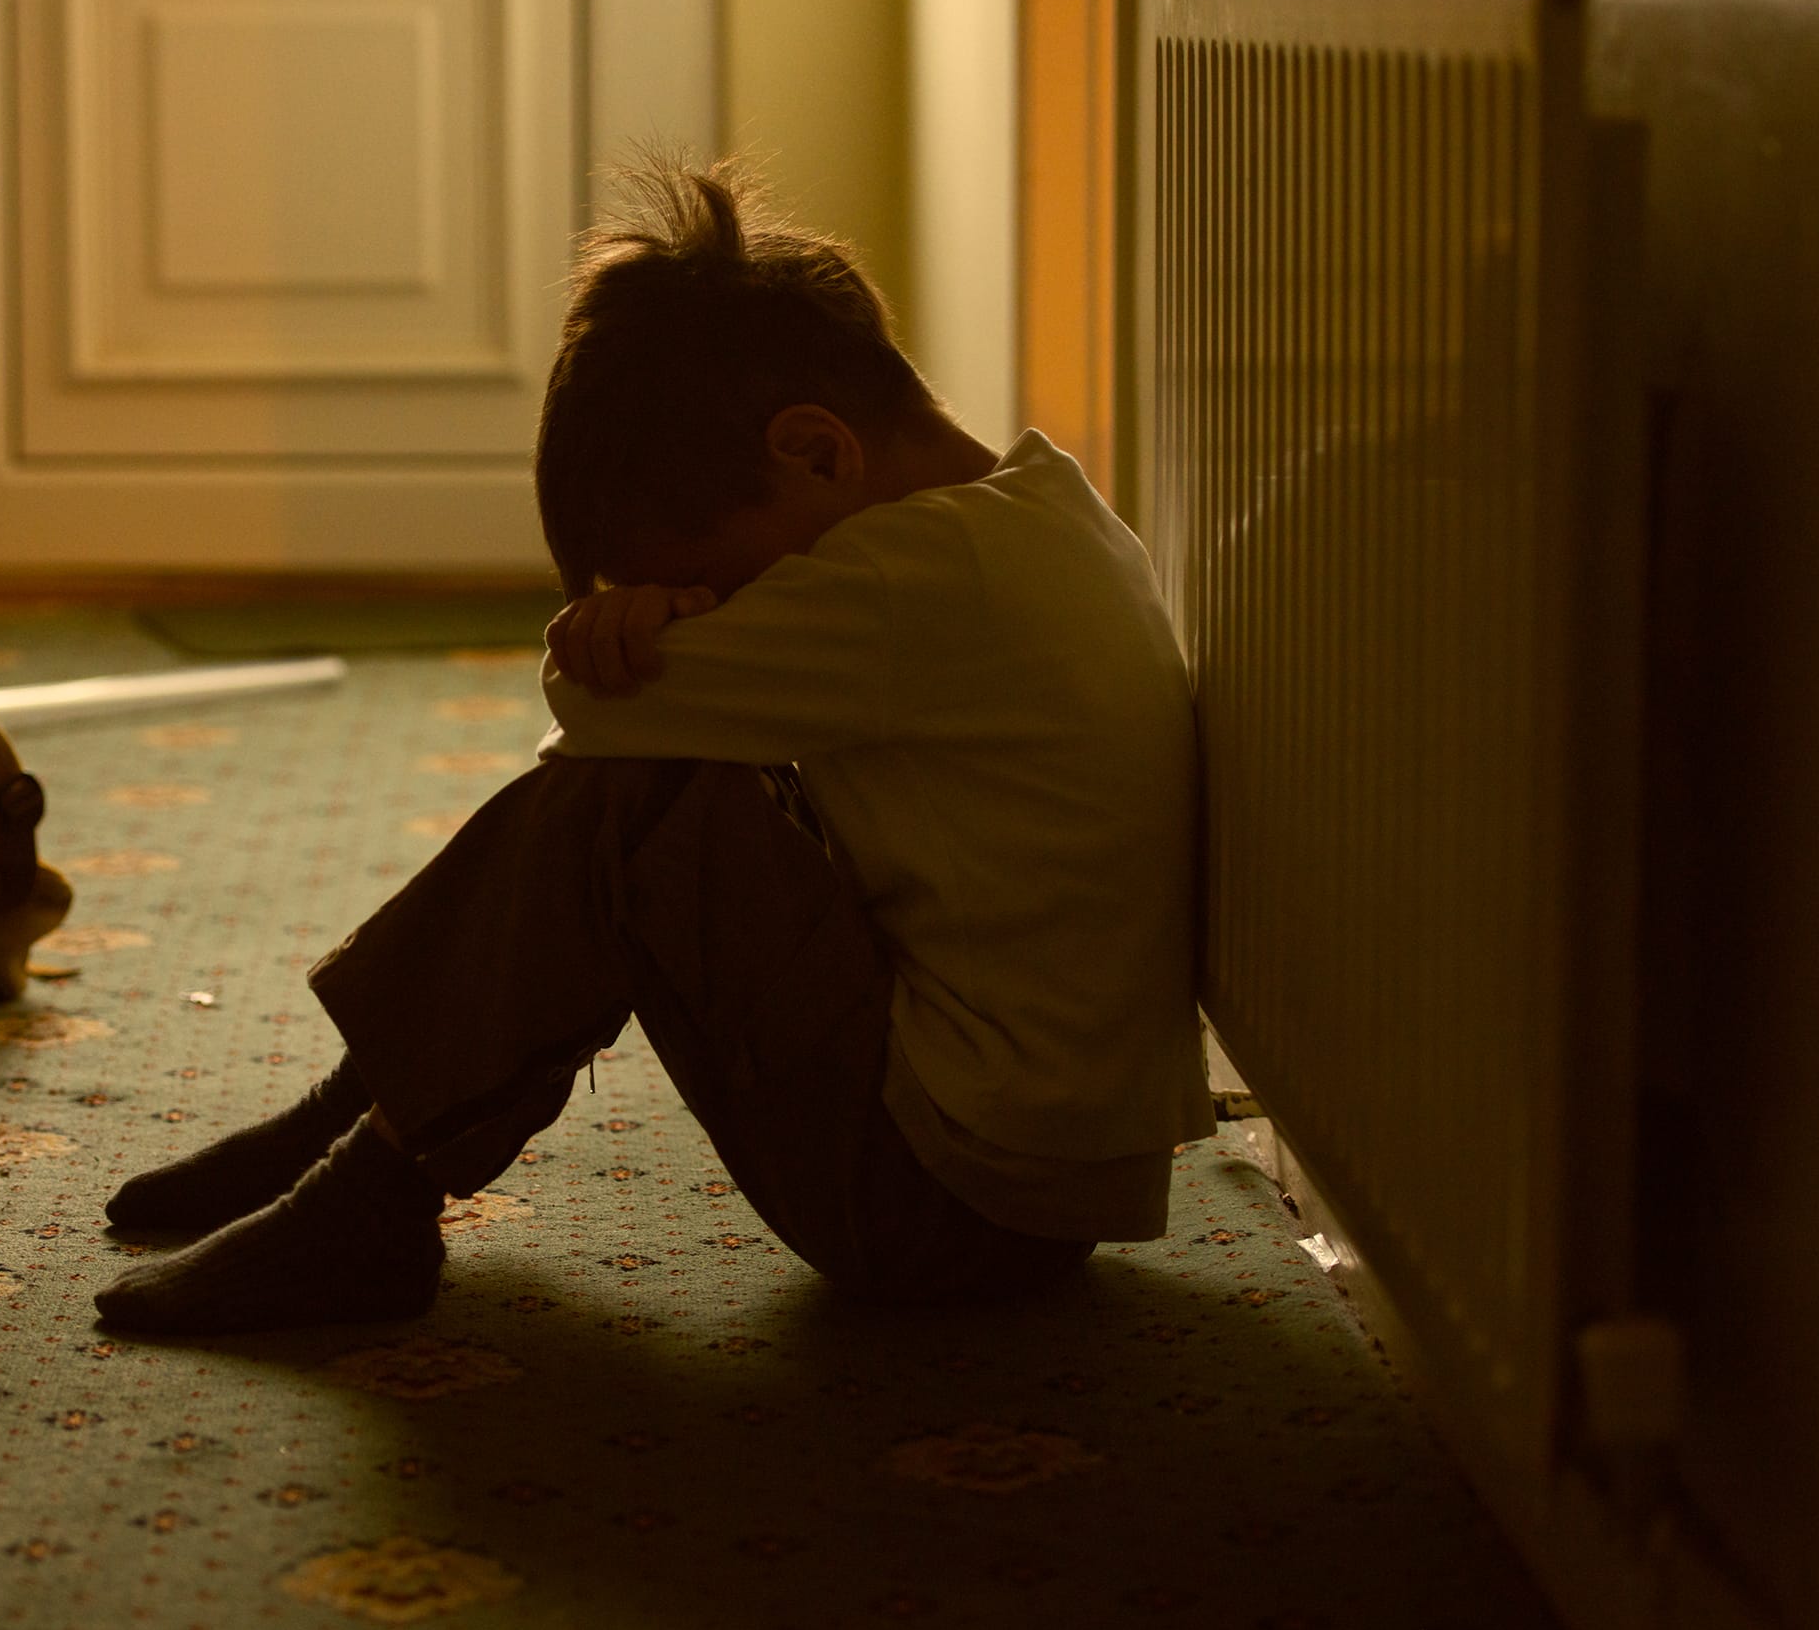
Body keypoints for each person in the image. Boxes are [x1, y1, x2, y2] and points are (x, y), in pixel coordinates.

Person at [93, 160, 1209, 1335]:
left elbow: (603, 719)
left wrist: (610, 643)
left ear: (818, 453)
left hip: (944, 1208)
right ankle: (359, 1121)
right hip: (1032, 1187)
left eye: (708, 583)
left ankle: (369, 1185)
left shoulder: (904, 579)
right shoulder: (1039, 516)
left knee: (641, 799)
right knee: (682, 780)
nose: (704, 607)